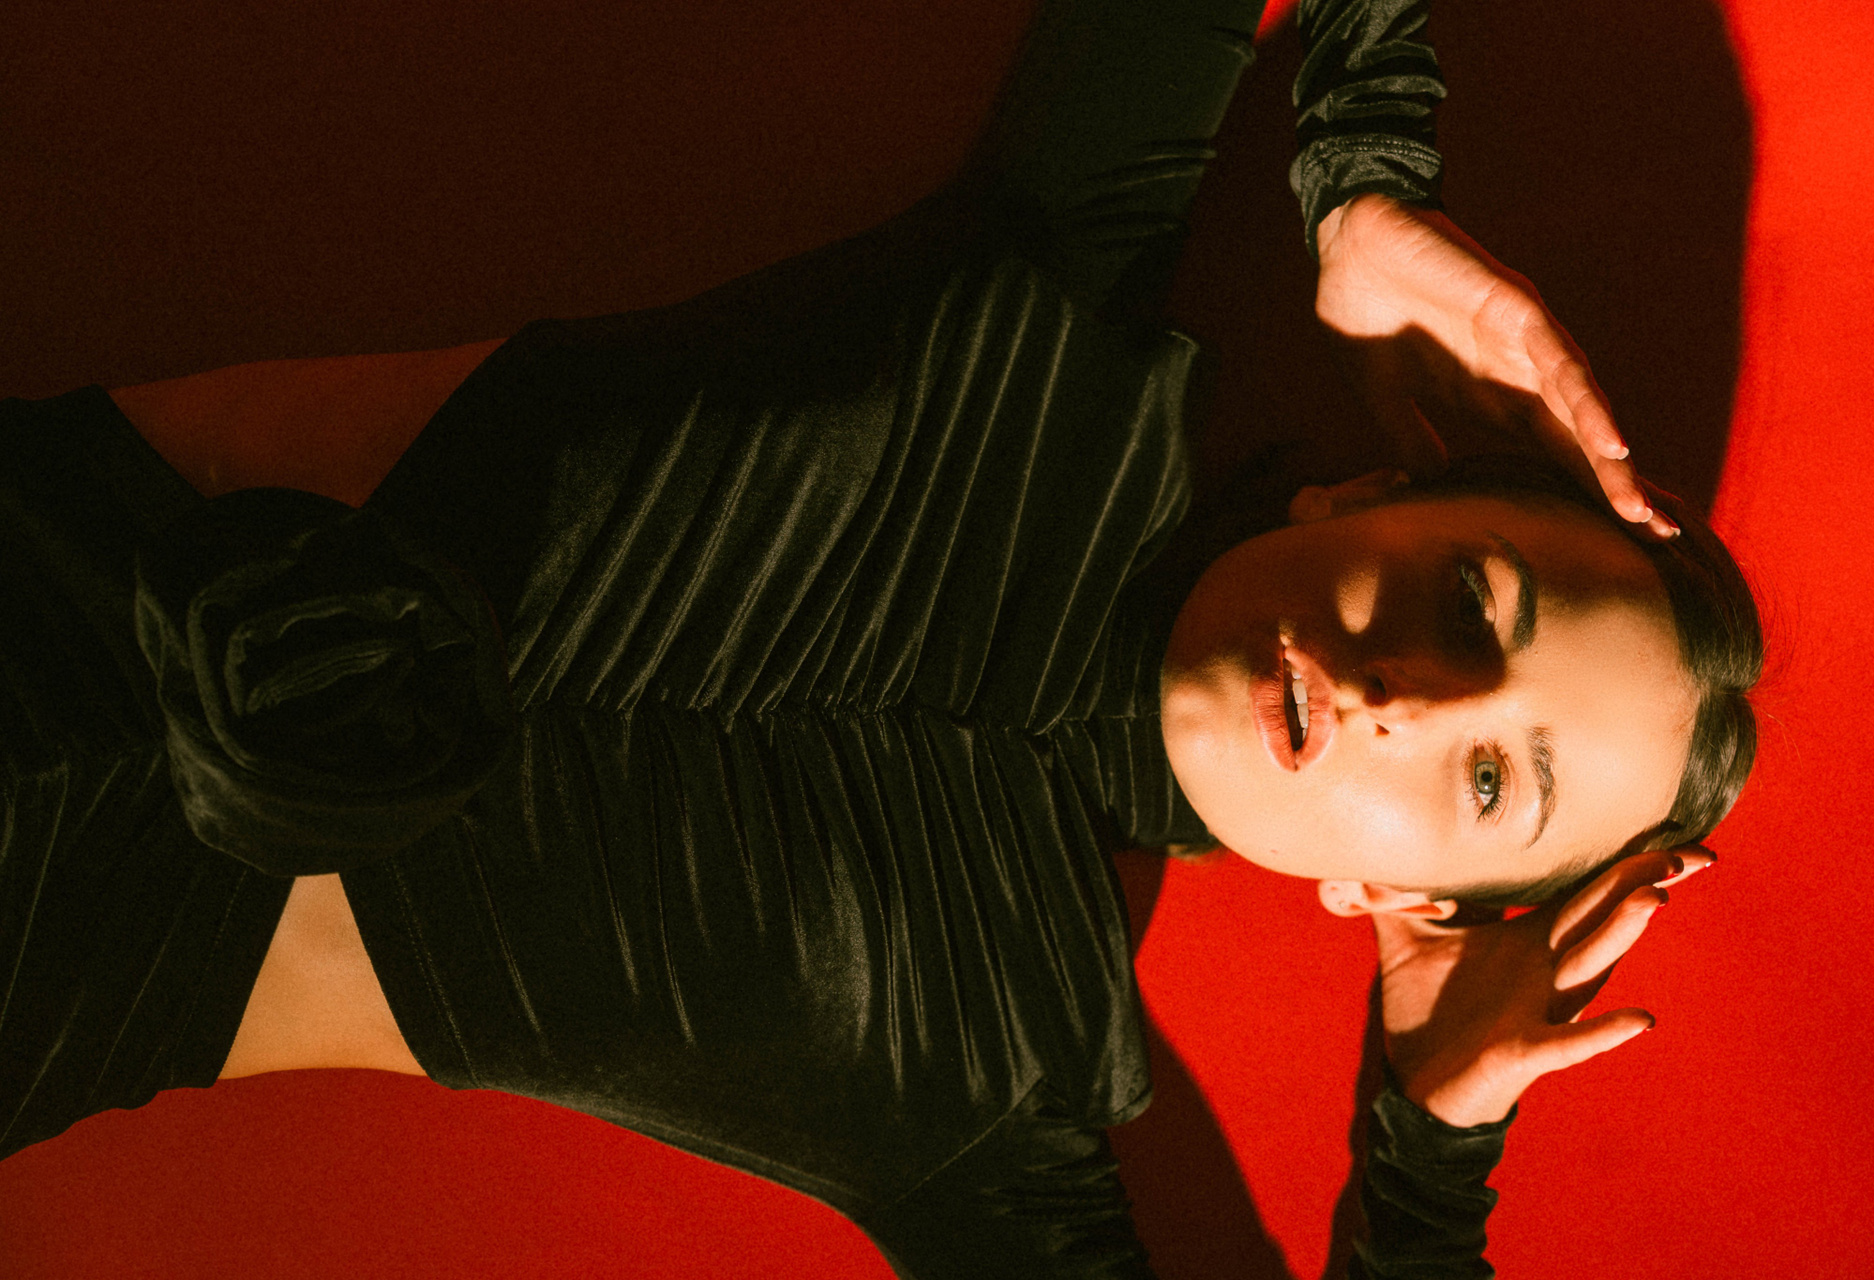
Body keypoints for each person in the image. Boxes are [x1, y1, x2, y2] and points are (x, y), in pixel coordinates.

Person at [0, 1, 1759, 1277]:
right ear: (1368, 492)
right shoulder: (1050, 288)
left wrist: (1429, 1149)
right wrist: (1361, 175)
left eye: (1486, 782)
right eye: (1470, 605)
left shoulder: (994, 1110)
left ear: (1392, 900)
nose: (1405, 699)